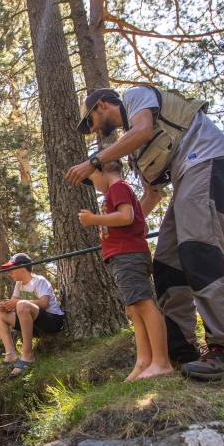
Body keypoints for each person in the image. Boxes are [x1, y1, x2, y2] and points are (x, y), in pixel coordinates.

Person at [66, 86, 224, 381]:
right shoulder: (136, 150)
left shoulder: (136, 97)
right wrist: (121, 227)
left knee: (197, 249)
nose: (91, 131)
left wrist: (94, 161)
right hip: (185, 176)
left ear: (101, 105)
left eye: (90, 122)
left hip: (205, 158)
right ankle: (181, 351)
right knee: (166, 261)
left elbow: (142, 129)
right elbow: (151, 195)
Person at [78, 160, 173, 380]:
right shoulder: (116, 191)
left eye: (92, 180)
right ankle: (143, 361)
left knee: (144, 304)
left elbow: (126, 216)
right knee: (133, 308)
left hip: (128, 255)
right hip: (121, 257)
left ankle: (161, 361)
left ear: (100, 170)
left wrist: (93, 219)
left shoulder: (118, 188)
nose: (94, 186)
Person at [0, 253, 65, 376]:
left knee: (22, 305)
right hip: (33, 325)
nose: (10, 272)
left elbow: (44, 303)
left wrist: (18, 303)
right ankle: (10, 354)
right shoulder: (19, 284)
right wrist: (4, 306)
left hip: (52, 321)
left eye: (12, 268)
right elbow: (13, 304)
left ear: (22, 268)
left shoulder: (39, 280)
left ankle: (27, 355)